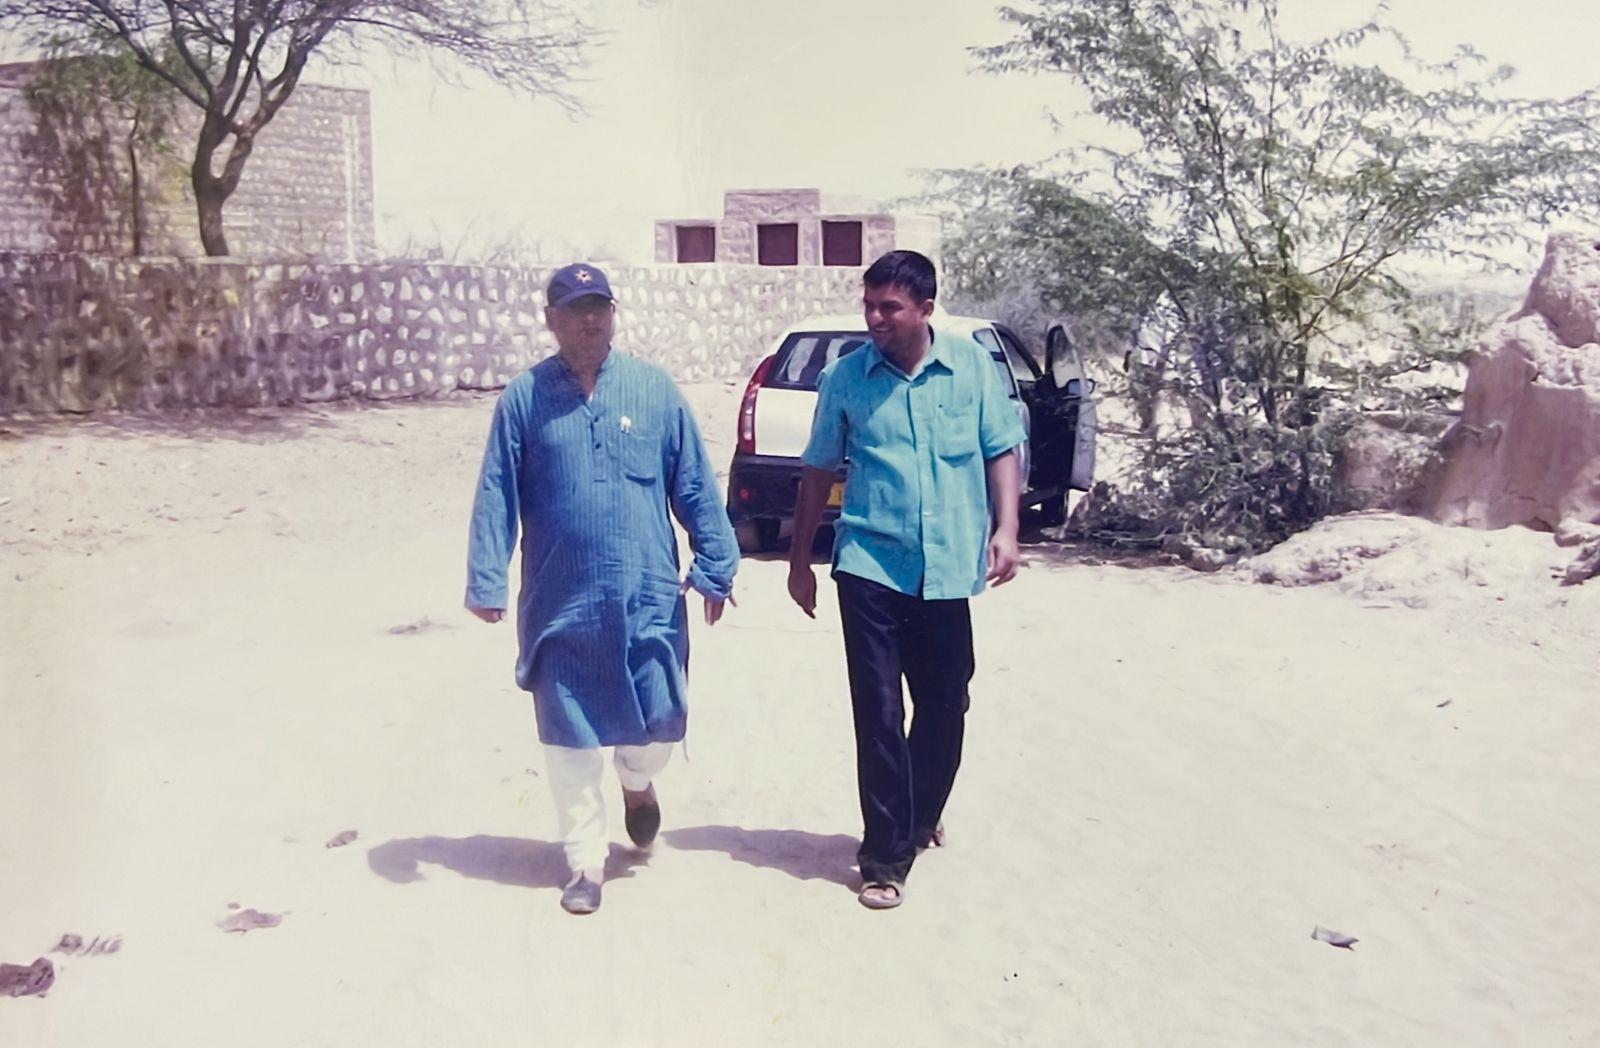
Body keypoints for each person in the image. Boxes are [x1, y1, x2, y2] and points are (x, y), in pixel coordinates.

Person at [465, 262, 738, 915]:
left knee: (660, 725)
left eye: (600, 308)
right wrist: (485, 575)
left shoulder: (654, 390)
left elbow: (695, 483)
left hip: (647, 596)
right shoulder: (525, 399)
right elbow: (497, 490)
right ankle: (584, 863)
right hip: (561, 601)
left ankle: (638, 780)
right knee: (568, 734)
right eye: (574, 309)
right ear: (550, 320)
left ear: (613, 314)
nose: (590, 320)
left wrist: (716, 563)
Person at [787, 250, 1024, 910]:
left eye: (889, 307)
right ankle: (885, 859)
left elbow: (1000, 448)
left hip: (948, 566)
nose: (875, 318)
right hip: (868, 563)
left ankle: (919, 816)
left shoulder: (971, 367)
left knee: (947, 703)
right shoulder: (846, 379)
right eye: (869, 305)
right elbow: (816, 470)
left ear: (925, 308)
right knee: (880, 711)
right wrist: (801, 559)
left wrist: (1006, 529)